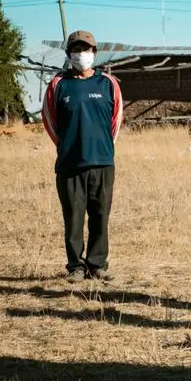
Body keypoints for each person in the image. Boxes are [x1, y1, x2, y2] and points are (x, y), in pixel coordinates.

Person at [42, 30, 123, 283]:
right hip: (70, 163)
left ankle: (97, 264)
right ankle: (75, 266)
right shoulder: (58, 84)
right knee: (73, 216)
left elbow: (116, 121)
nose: (81, 54)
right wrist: (67, 145)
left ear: (94, 53)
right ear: (69, 54)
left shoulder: (108, 83)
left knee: (100, 215)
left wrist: (102, 146)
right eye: (76, 50)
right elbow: (49, 120)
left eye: (86, 49)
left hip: (102, 162)